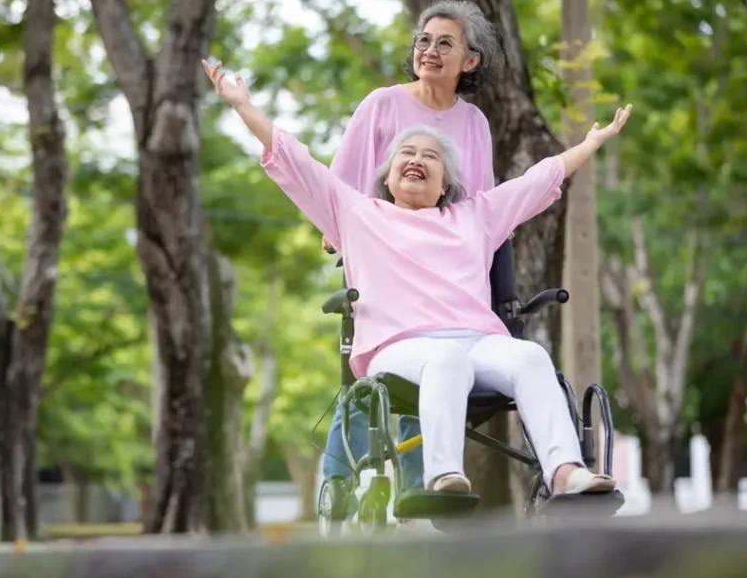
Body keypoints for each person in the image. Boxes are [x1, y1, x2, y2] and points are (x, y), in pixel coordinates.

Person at [201, 57, 630, 496]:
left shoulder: (475, 217)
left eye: (431, 157)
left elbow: (539, 180)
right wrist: (242, 105)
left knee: (530, 357)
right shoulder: (356, 213)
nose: (417, 160)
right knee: (446, 359)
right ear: (387, 175)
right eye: (407, 153)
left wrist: (593, 142)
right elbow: (295, 159)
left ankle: (565, 473)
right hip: (399, 347)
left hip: (478, 342)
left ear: (445, 183)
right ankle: (442, 477)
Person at [322, 0, 500, 495]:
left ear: (470, 61)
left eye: (446, 43)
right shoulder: (382, 104)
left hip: (448, 264)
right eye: (424, 40)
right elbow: (341, 183)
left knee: (434, 361)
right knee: (381, 370)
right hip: (383, 252)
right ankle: (339, 475)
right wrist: (342, 235)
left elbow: (482, 203)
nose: (430, 50)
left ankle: (422, 486)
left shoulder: (475, 123)